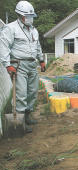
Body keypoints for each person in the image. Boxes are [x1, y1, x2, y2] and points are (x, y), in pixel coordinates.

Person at [0, 1, 46, 133]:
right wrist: (7, 65)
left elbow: (37, 46)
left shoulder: (34, 30)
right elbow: (3, 47)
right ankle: (20, 123)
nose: (30, 18)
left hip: (33, 64)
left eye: (31, 16)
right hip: (19, 64)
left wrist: (41, 60)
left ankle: (27, 115)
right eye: (28, 16)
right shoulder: (10, 28)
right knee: (21, 94)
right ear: (20, 15)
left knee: (32, 91)